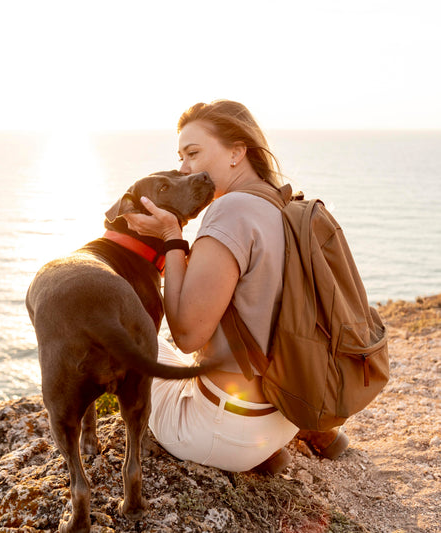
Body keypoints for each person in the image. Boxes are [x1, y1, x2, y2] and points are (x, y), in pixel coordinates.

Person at [124, 100, 348, 473]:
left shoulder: (230, 211)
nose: (184, 168)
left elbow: (187, 335)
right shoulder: (284, 204)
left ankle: (248, 454)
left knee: (134, 340)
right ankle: (299, 436)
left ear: (237, 151)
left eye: (193, 153)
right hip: (285, 411)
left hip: (221, 432)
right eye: (180, 156)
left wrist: (171, 236)